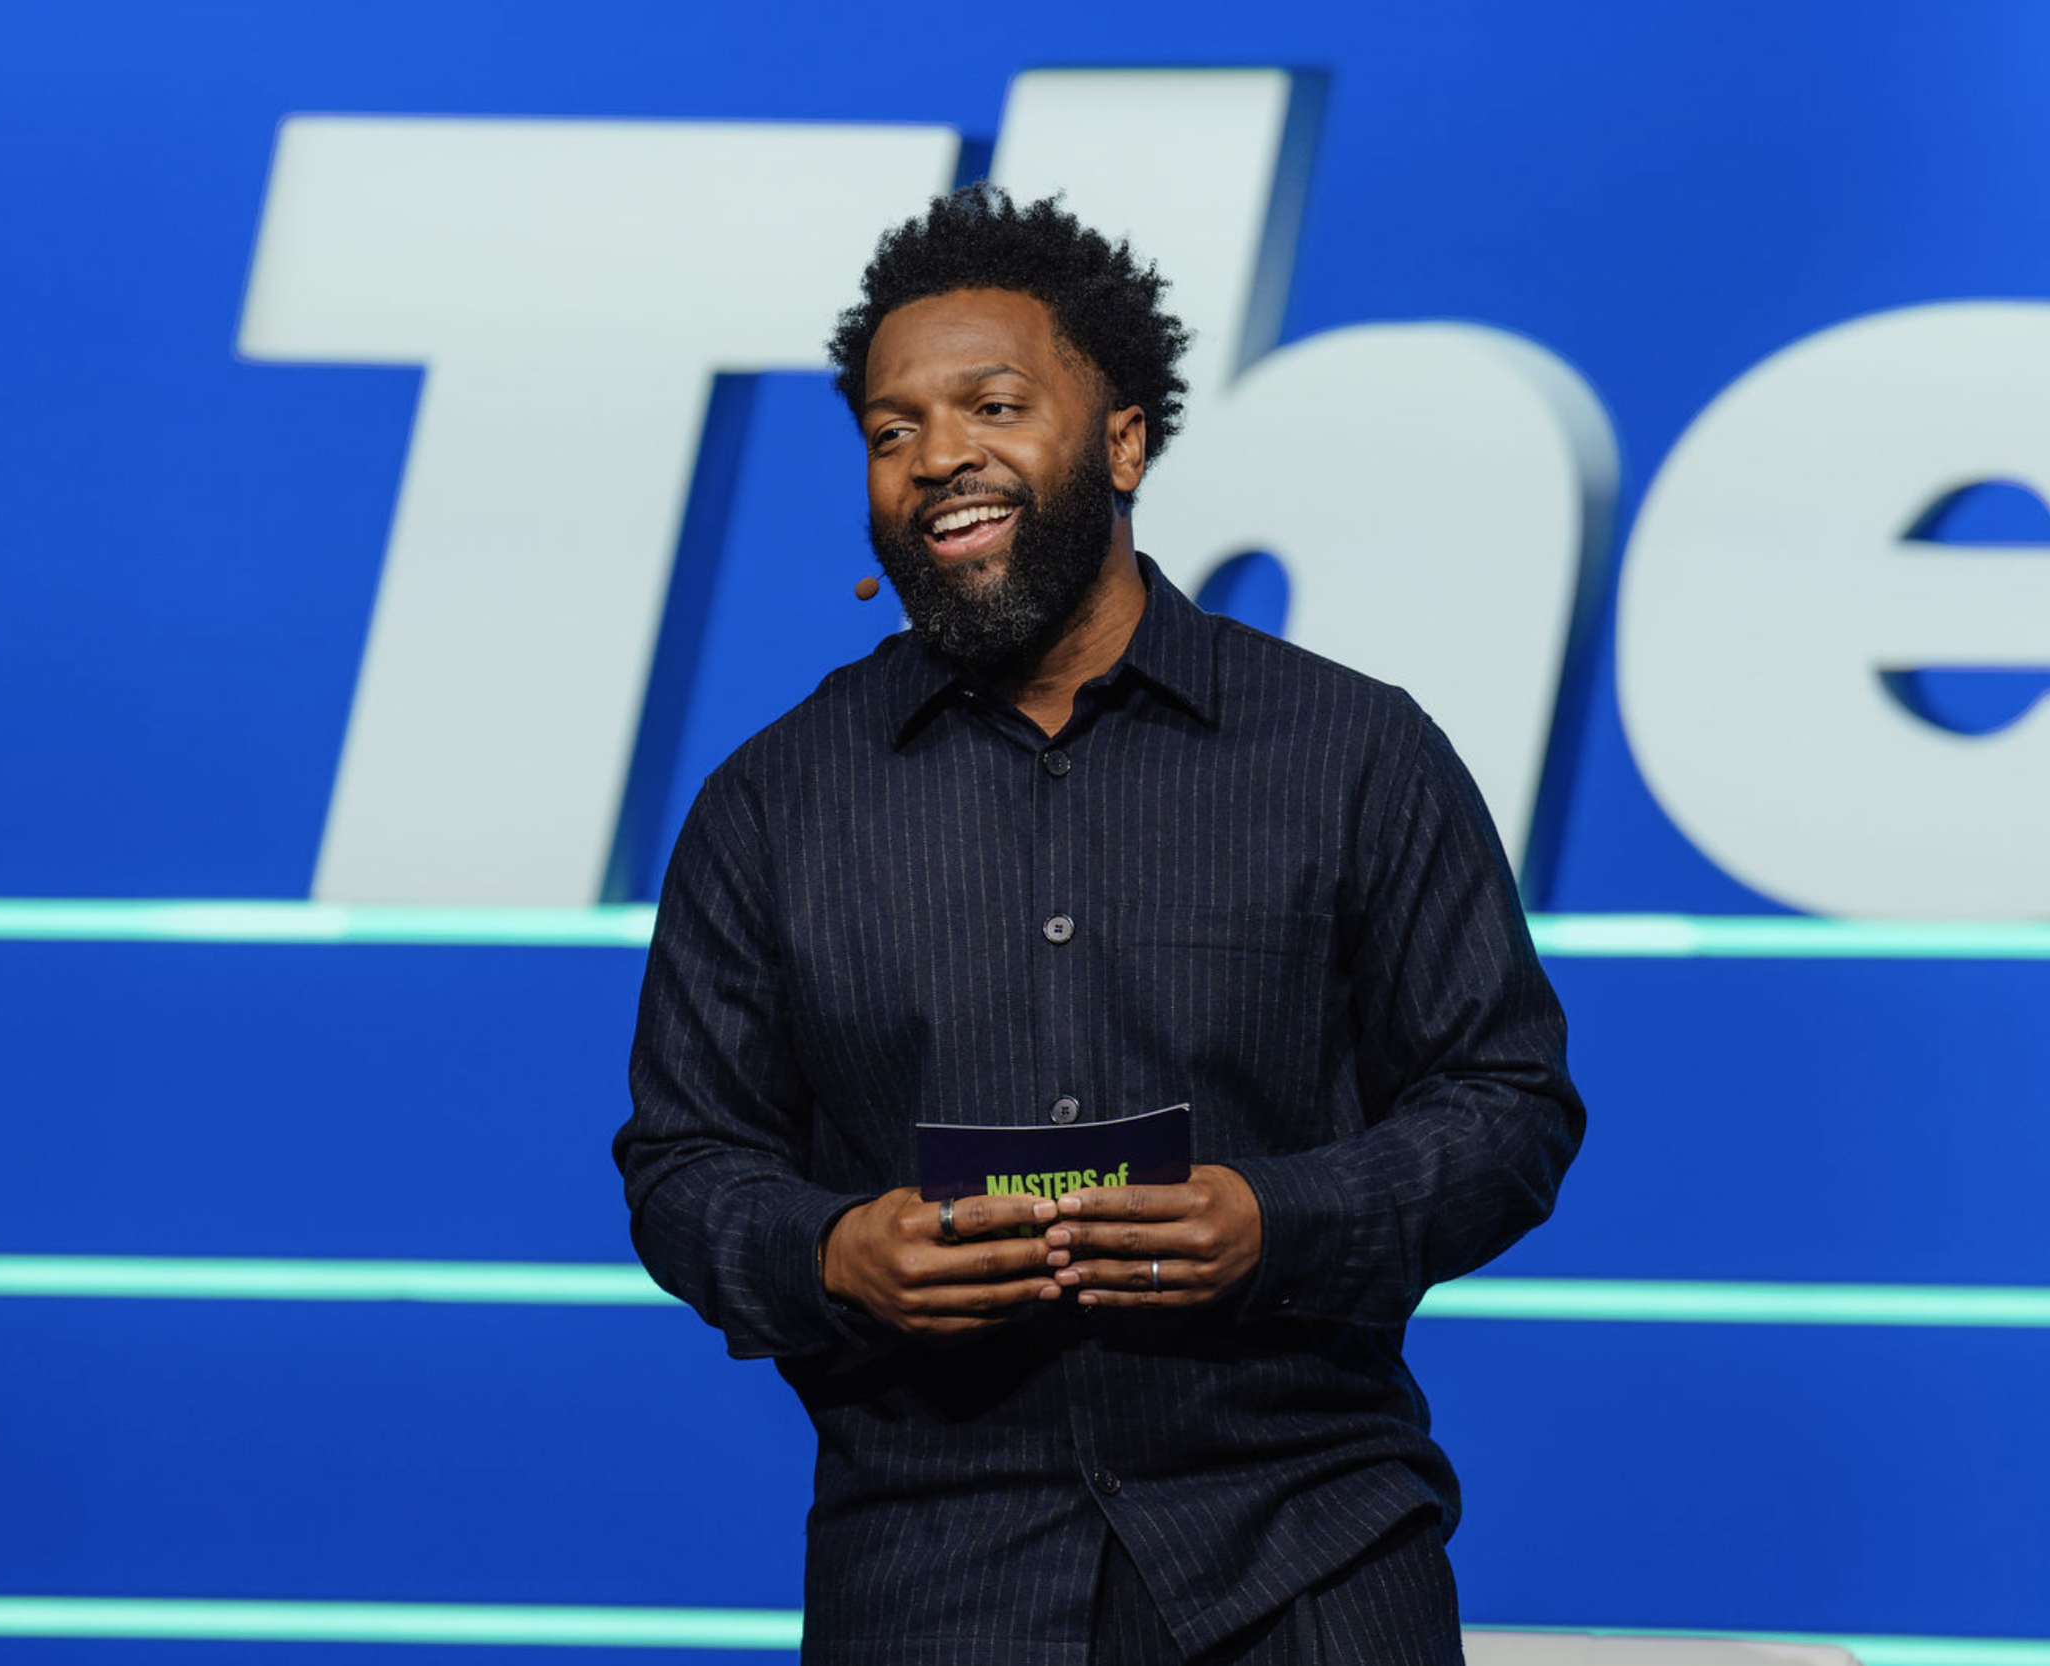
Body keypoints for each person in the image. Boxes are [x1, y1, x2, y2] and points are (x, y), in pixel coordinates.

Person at [613, 184, 1585, 1666]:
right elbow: (684, 1165)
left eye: (993, 406)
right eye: (891, 429)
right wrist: (834, 1252)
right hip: (932, 1581)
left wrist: (1280, 1221)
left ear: (1125, 442)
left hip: (1308, 1555)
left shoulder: (1353, 753)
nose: (940, 456)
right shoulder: (772, 803)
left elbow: (1508, 1103)